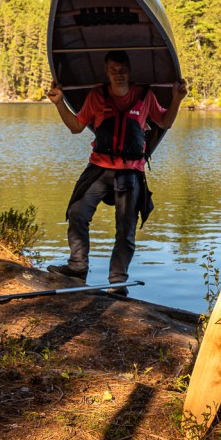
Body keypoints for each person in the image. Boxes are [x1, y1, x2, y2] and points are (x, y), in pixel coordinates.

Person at [47, 51, 187, 291]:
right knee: (77, 212)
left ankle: (118, 282)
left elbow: (165, 122)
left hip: (130, 172)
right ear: (107, 73)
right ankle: (77, 267)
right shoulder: (97, 96)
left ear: (129, 72)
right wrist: (59, 102)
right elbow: (76, 127)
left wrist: (177, 98)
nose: (118, 75)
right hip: (98, 169)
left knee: (126, 228)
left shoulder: (144, 96)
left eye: (122, 71)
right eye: (113, 71)